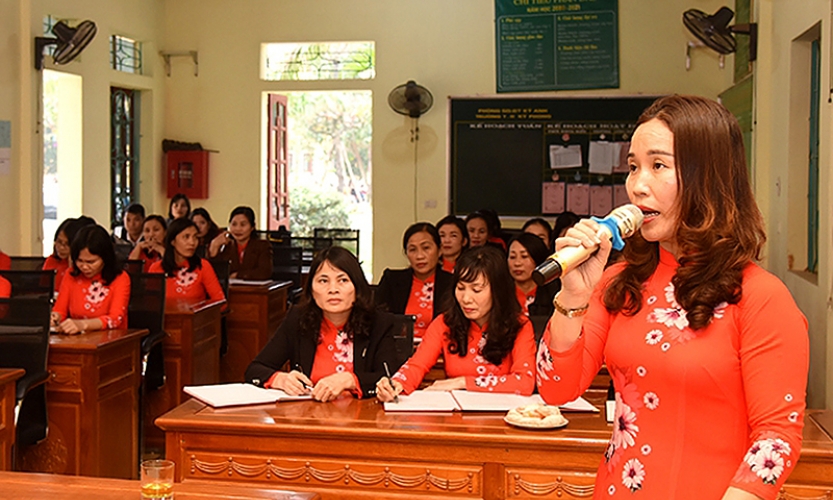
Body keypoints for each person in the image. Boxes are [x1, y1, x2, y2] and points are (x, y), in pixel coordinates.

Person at [535, 95, 808, 499]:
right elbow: (556, 389)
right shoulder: (619, 283)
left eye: (658, 166)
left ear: (708, 177)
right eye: (632, 167)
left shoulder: (760, 297)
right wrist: (574, 295)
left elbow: (776, 438)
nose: (637, 185)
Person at [376, 245, 536, 400]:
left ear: (498, 291)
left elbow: (524, 382)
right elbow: (416, 365)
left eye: (476, 290)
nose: (466, 299)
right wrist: (396, 383)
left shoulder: (520, 326)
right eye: (460, 288)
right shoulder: (444, 323)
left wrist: (462, 382)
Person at [245, 246, 399, 402]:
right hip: (307, 417)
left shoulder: (379, 323)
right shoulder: (298, 320)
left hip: (362, 418)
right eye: (323, 281)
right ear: (311, 289)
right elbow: (255, 370)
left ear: (357, 286)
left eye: (343, 280)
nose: (333, 289)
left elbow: (392, 378)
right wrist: (280, 379)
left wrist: (349, 380)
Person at [374, 223, 453, 340]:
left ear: (440, 250)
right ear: (406, 253)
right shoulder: (392, 280)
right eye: (412, 250)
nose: (419, 256)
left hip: (441, 349)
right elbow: (379, 319)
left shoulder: (452, 282)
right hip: (397, 351)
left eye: (426, 248)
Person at [51, 225, 131, 334]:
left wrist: (83, 325)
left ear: (105, 258)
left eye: (91, 262)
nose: (84, 267)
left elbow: (115, 319)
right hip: (77, 338)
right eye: (80, 261)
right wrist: (55, 318)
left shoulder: (120, 278)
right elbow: (60, 310)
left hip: (111, 340)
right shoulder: (71, 274)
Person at [148, 218, 226, 308]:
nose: (192, 242)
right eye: (186, 237)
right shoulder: (156, 268)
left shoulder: (203, 266)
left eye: (195, 237)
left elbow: (221, 302)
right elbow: (150, 304)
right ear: (172, 241)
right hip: (166, 320)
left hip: (195, 320)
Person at [208, 206, 272, 280]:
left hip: (254, 289)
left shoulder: (262, 246)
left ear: (252, 227)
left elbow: (264, 272)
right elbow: (216, 272)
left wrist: (238, 275)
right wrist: (214, 247)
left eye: (243, 224)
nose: (238, 229)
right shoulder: (227, 245)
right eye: (234, 224)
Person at [507, 233, 558, 317]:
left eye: (524, 256)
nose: (517, 263)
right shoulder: (499, 292)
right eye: (512, 257)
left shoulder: (553, 292)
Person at [43, 218, 78, 290]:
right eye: (59, 242)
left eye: (67, 244)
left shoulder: (81, 266)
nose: (61, 248)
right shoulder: (51, 261)